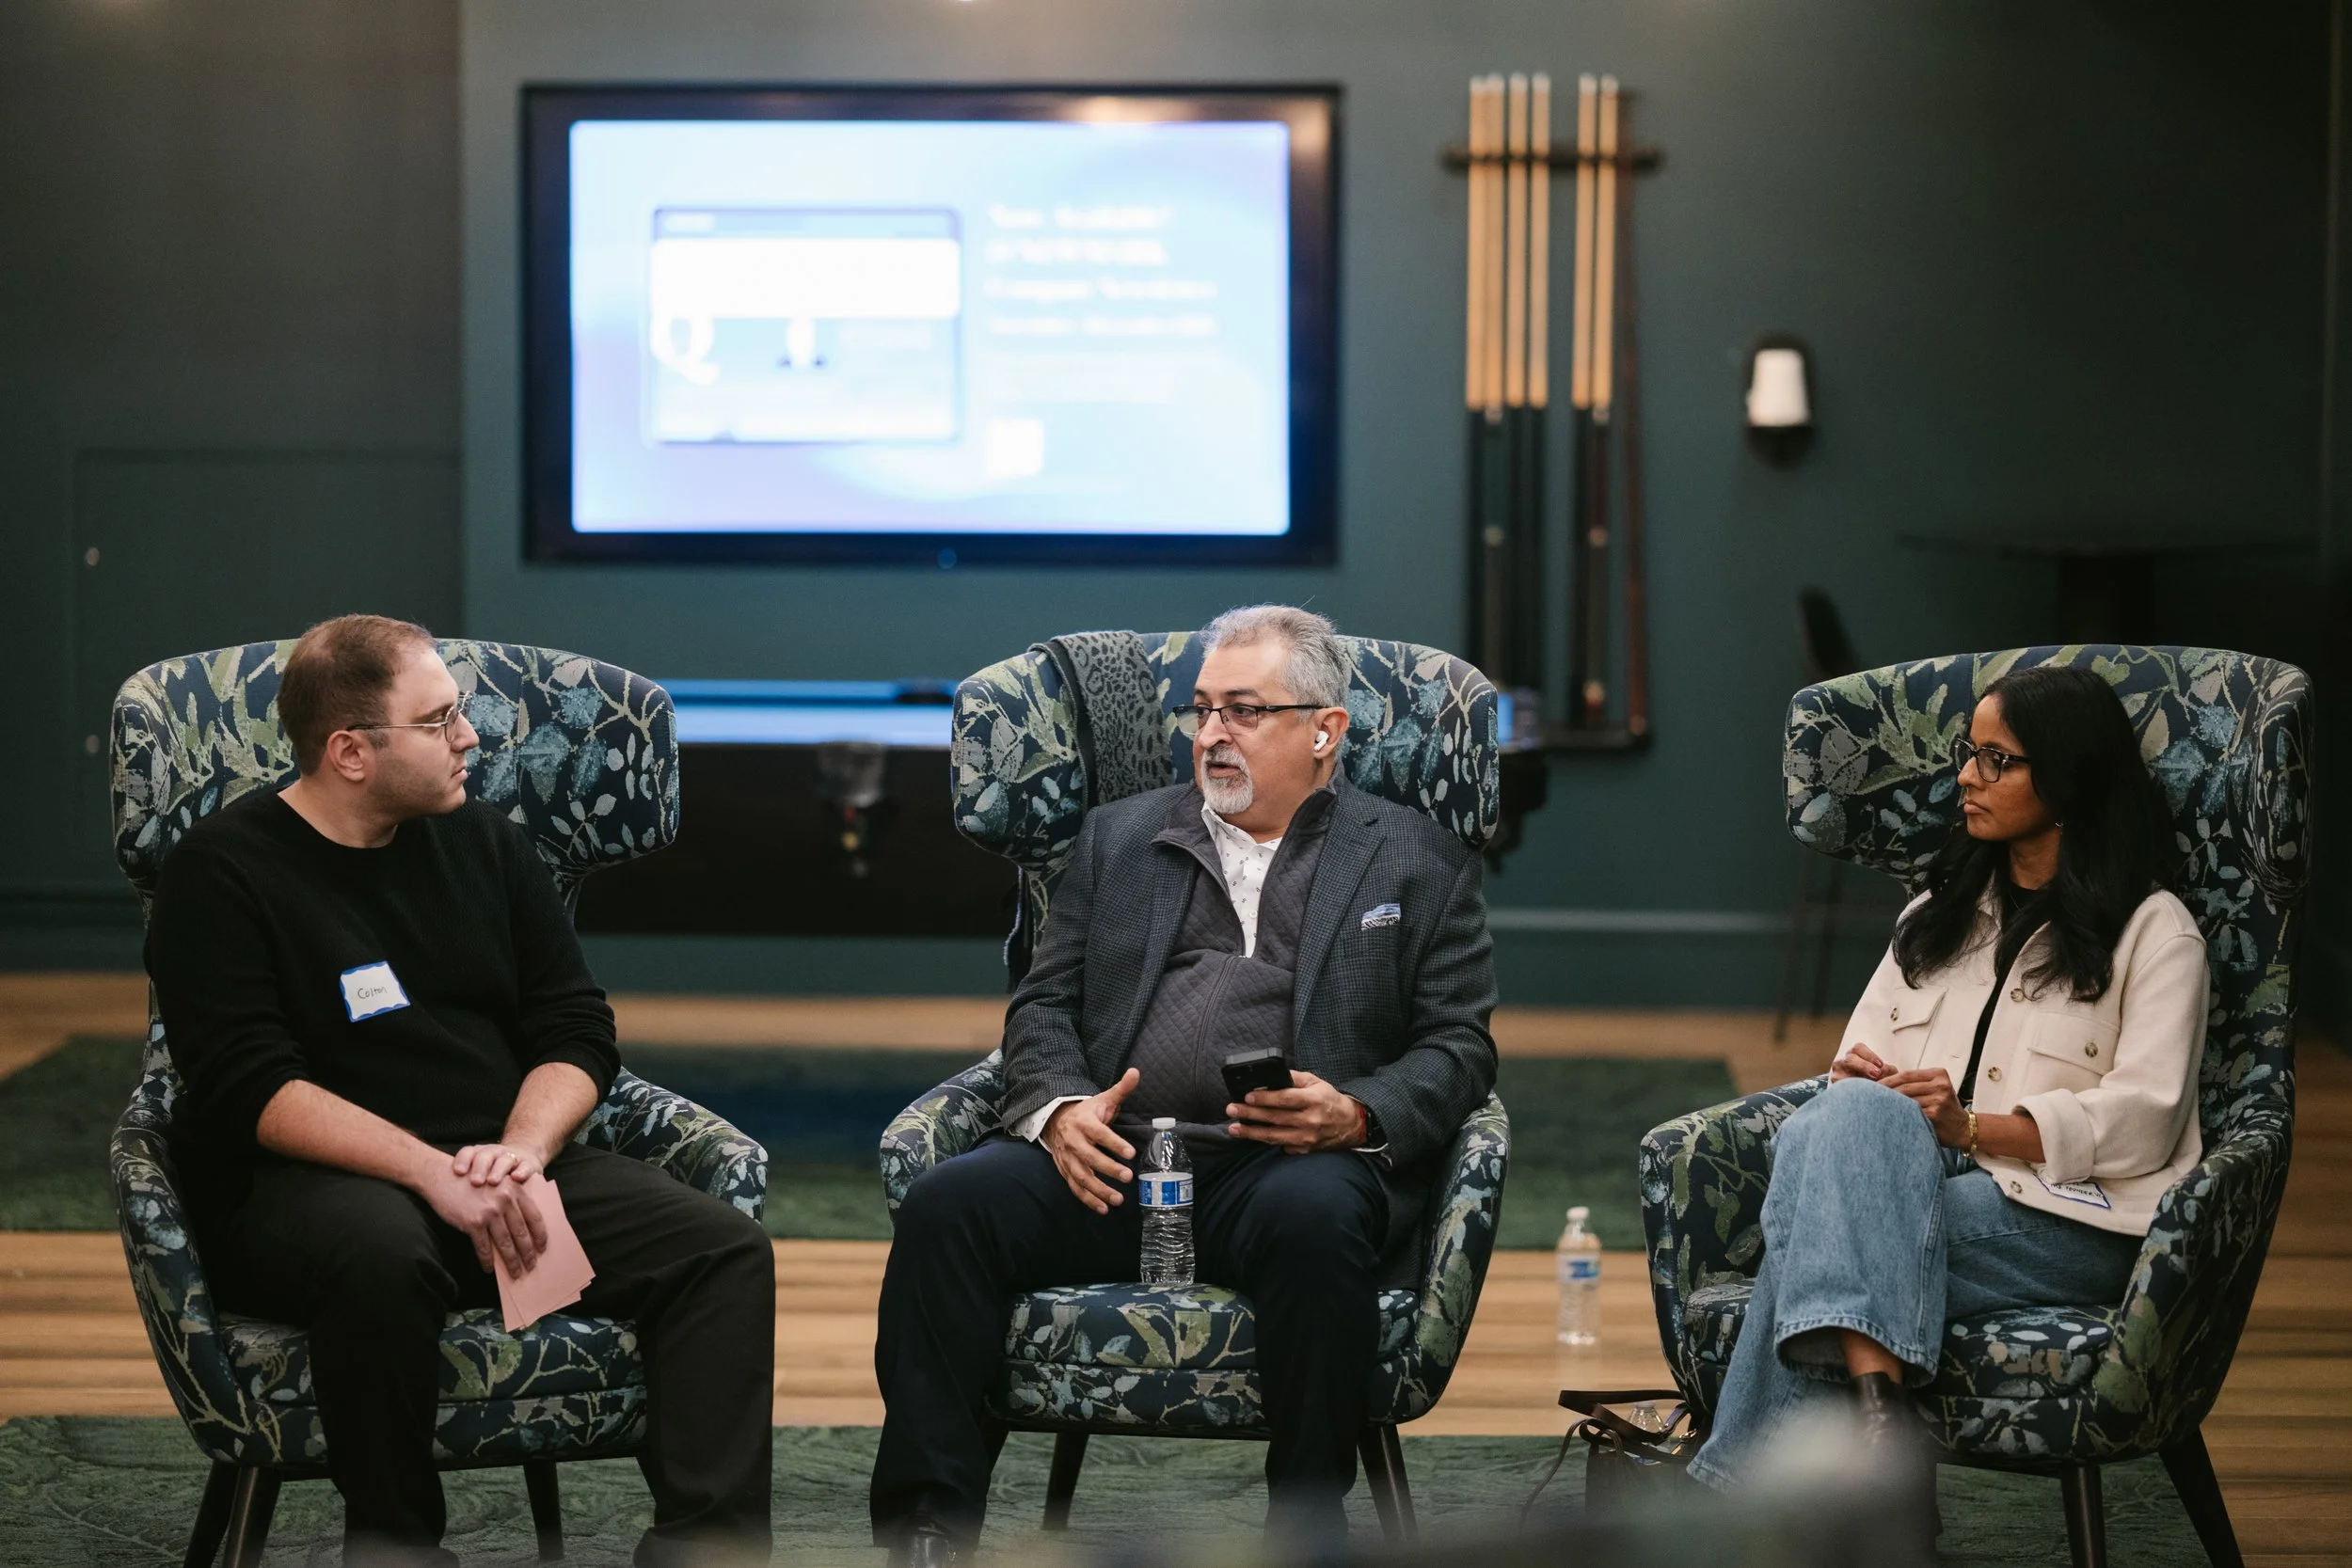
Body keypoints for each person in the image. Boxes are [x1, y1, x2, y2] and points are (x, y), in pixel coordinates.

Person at [869, 606, 1498, 1564]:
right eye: (1202, 710)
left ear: (1324, 729)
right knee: (948, 1207)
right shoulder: (1117, 838)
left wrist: (1356, 1111)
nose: (1212, 735)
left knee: (1319, 1219)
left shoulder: (1416, 858)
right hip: (1116, 1159)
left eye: (1244, 710)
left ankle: (1304, 1533)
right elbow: (1042, 1004)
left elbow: (1457, 1045)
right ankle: (927, 1532)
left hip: (1283, 1165)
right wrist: (1058, 1109)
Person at [145, 615, 774, 1568]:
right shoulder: (220, 872)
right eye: (438, 719)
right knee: (384, 1254)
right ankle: (395, 1548)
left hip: (498, 1163)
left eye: (460, 711)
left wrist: (521, 1151)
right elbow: (253, 1087)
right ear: (349, 751)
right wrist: (432, 1173)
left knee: (720, 1249)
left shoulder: (485, 842)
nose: (470, 735)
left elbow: (576, 1028)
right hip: (310, 1185)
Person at [1687, 665, 2209, 1496]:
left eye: (1998, 760)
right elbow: (1857, 1062)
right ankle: (1877, 1424)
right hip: (1914, 1181)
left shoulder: (2155, 932)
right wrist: (1859, 1083)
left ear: (2067, 780)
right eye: (1970, 753)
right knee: (1847, 1124)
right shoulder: (1935, 913)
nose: (1967, 775)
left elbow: (2147, 1118)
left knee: (1815, 1242)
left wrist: (1970, 1129)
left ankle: (1747, 1502)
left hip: (2069, 1217)